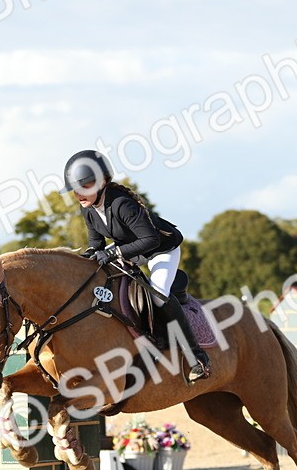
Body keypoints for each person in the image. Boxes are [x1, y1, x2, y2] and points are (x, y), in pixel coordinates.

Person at [63, 149, 210, 382]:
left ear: (102, 182)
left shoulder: (122, 204)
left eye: (85, 186)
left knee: (158, 296)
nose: (79, 194)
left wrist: (115, 252)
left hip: (160, 249)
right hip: (132, 249)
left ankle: (197, 357)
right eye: (75, 189)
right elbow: (96, 244)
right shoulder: (88, 208)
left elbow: (150, 239)